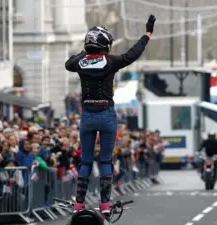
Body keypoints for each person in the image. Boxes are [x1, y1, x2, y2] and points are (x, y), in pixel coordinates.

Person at [65, 14, 156, 214]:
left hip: (87, 116)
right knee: (105, 160)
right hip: (106, 114)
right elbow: (133, 54)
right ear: (105, 45)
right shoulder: (110, 61)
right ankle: (105, 205)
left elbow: (68, 64)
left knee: (86, 161)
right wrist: (147, 34)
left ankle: (79, 203)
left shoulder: (80, 63)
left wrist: (84, 51)